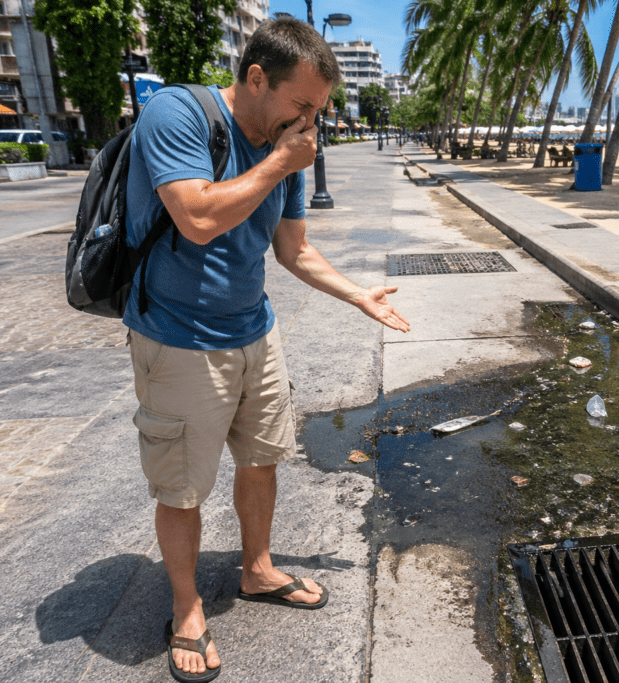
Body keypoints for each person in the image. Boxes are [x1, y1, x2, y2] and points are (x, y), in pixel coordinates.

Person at [124, 17, 410, 682]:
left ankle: (256, 569)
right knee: (183, 486)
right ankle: (188, 607)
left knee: (262, 458)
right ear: (257, 78)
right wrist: (282, 160)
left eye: (317, 111)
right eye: (301, 105)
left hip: (255, 329)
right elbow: (195, 217)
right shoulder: (178, 115)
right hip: (178, 338)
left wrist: (358, 295)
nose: (309, 122)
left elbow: (294, 248)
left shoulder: (289, 146)